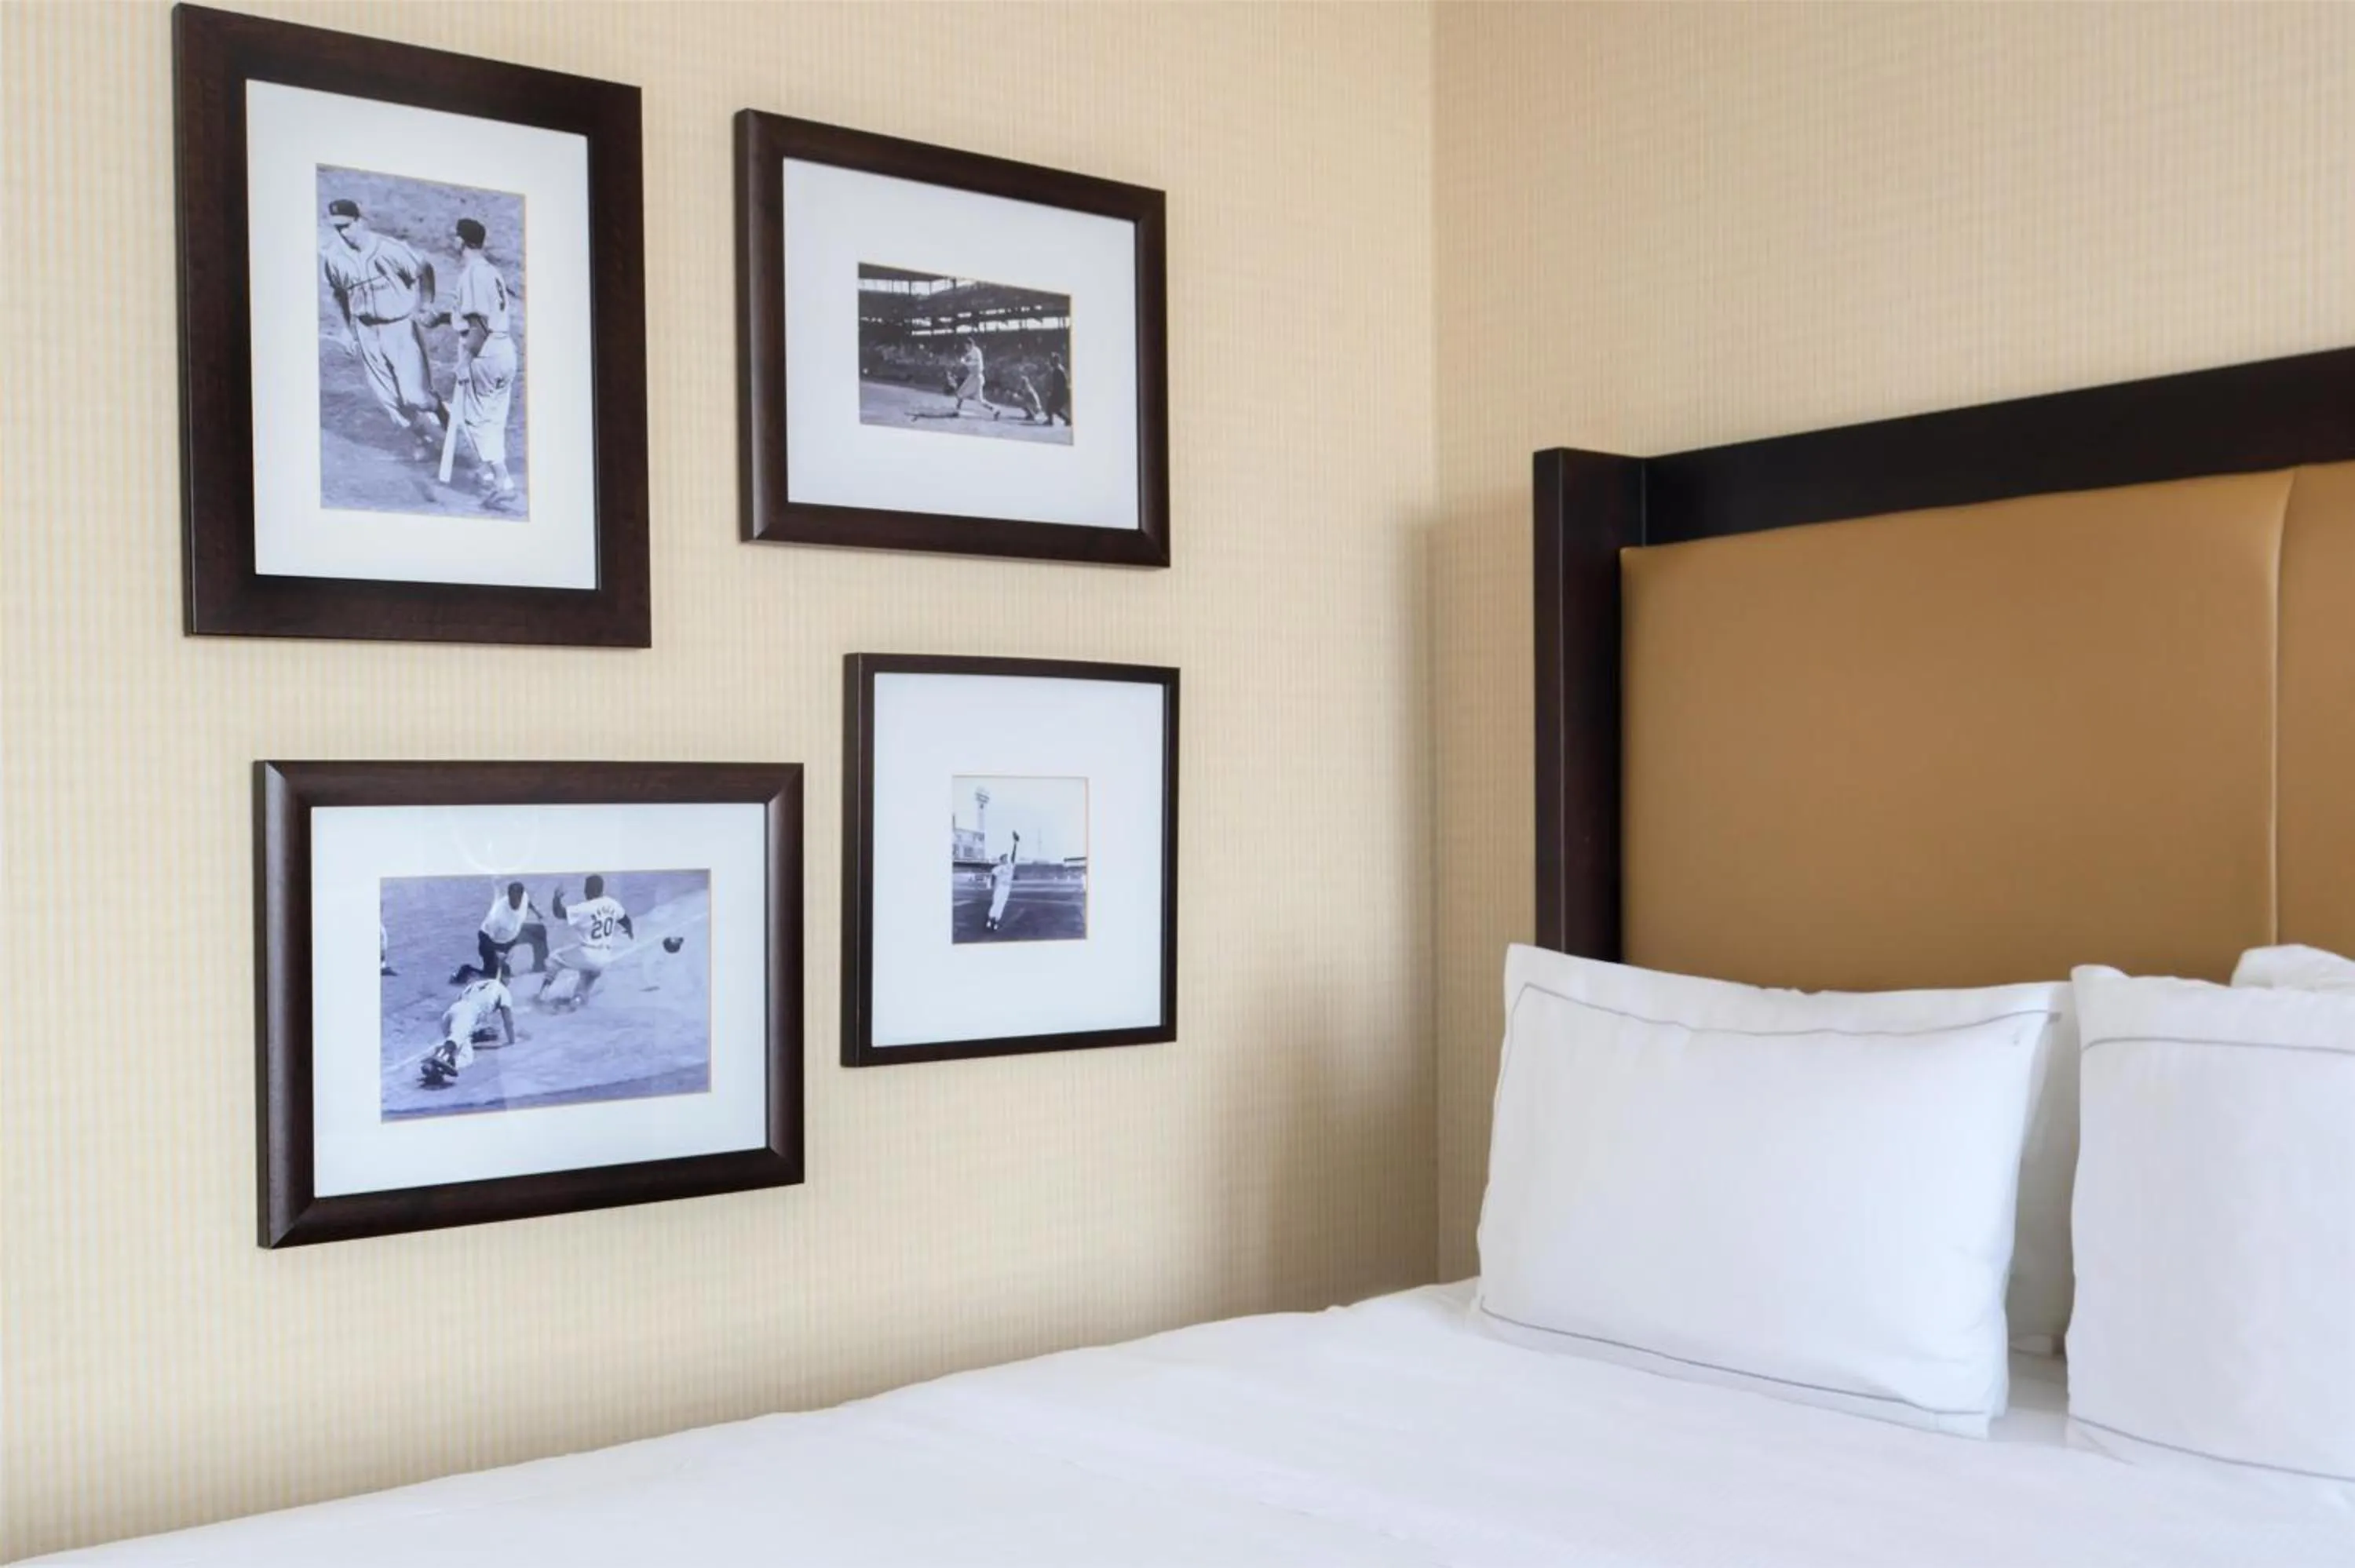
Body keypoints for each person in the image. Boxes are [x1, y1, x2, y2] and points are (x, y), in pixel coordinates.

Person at [318, 198, 446, 458]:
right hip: (367, 333)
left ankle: (443, 412)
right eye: (337, 228)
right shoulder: (334, 257)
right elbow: (338, 293)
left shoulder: (389, 249)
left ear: (359, 221)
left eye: (346, 226)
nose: (342, 233)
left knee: (415, 397)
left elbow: (424, 269)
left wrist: (425, 305)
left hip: (399, 329)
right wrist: (346, 328)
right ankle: (424, 439)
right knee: (390, 400)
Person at [426, 216, 520, 510]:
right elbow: (478, 316)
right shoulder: (490, 271)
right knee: (492, 418)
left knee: (474, 420)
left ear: (461, 241)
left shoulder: (472, 275)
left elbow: (478, 324)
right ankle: (493, 476)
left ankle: (502, 480)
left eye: (455, 237)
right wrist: (442, 318)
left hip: (484, 353)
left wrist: (466, 360)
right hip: (504, 351)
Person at [539, 874, 633, 1008]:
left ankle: (543, 993)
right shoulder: (612, 904)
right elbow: (625, 920)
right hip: (605, 957)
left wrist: (557, 897)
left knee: (554, 958)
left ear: (588, 890)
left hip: (587, 954)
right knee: (587, 975)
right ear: (601, 889)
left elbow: (559, 913)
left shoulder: (585, 908)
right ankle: (577, 999)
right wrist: (629, 931)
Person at [419, 967, 515, 1086]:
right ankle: (441, 1055)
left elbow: (462, 1004)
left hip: (452, 1012)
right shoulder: (502, 990)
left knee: (466, 1057)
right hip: (466, 1014)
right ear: (505, 977)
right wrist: (512, 1040)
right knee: (456, 1039)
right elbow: (508, 1020)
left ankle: (434, 1069)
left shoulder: (475, 985)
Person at [451, 881, 547, 983]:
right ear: (509, 896)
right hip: (490, 941)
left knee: (540, 932)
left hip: (513, 936)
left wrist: (537, 913)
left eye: (518, 898)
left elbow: (527, 902)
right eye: (512, 899)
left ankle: (540, 968)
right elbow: (487, 938)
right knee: (492, 975)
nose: (515, 902)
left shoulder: (524, 898)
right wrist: (497, 954)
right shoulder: (498, 916)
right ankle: (466, 971)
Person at [951, 337, 1000, 421]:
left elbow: (974, 363)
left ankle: (956, 411)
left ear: (970, 344)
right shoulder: (971, 352)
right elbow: (966, 359)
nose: (966, 347)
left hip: (976, 377)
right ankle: (995, 410)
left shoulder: (976, 351)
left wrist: (964, 363)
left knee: (960, 393)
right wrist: (962, 361)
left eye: (966, 345)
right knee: (980, 400)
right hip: (974, 376)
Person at [985, 831, 1020, 932]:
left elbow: (1013, 856)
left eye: (1007, 857)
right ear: (1001, 860)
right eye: (1004, 858)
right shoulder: (997, 868)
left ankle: (995, 922)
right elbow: (992, 876)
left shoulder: (1010, 866)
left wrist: (1015, 844)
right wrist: (990, 885)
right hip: (999, 888)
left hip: (1007, 888)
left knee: (1001, 905)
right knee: (995, 904)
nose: (1007, 859)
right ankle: (989, 920)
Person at [1041, 351, 1071, 428]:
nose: (1050, 362)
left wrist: (1053, 392)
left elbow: (1059, 383)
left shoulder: (1058, 370)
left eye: (1052, 360)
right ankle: (1067, 420)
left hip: (1060, 392)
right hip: (1062, 391)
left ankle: (1051, 421)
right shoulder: (1059, 368)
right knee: (1055, 408)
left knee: (1051, 406)